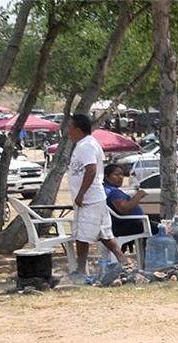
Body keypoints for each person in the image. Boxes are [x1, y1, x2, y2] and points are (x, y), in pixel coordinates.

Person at [66, 113, 129, 280]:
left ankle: (81, 270)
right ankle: (123, 261)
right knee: (104, 234)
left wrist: (81, 194)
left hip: (89, 198)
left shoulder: (86, 146)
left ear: (78, 129)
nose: (68, 131)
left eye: (70, 128)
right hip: (95, 197)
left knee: (82, 235)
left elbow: (91, 170)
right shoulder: (87, 144)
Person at [103, 163, 155, 240]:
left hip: (122, 223)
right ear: (106, 177)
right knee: (163, 229)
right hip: (125, 225)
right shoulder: (113, 192)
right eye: (116, 174)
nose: (120, 177)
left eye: (122, 175)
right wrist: (138, 196)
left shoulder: (107, 189)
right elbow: (124, 209)